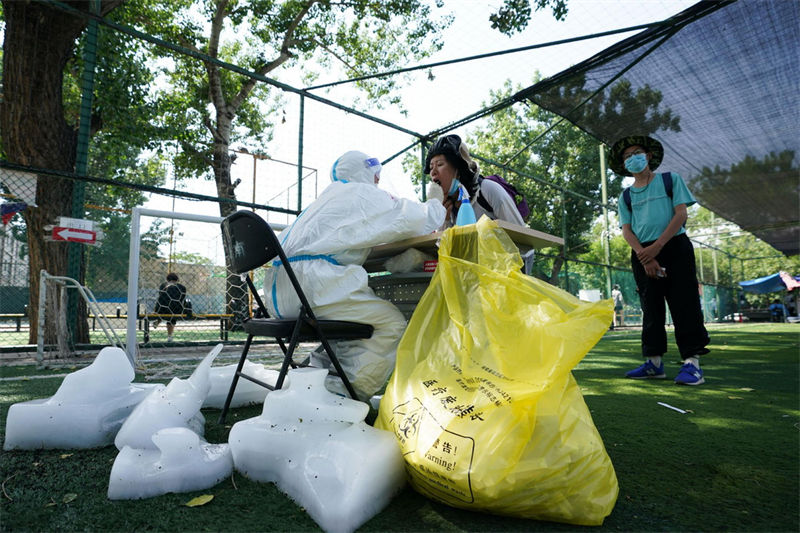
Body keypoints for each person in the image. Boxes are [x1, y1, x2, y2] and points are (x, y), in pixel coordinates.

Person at [265, 150, 445, 400]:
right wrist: (436, 202)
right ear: (366, 173)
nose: (378, 182)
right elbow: (417, 220)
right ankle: (344, 395)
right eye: (376, 176)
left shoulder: (319, 203)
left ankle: (310, 381)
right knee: (389, 323)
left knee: (346, 323)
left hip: (281, 294)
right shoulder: (362, 194)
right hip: (315, 288)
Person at [612, 135, 709, 386]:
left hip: (674, 247)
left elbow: (681, 214)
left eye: (637, 153)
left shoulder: (670, 180)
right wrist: (645, 257)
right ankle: (654, 364)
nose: (632, 158)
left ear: (649, 156)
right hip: (642, 254)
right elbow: (626, 230)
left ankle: (692, 365)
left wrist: (657, 247)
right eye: (627, 156)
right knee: (651, 307)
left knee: (684, 303)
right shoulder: (626, 196)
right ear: (623, 164)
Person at [424, 134, 526, 228]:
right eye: (431, 167)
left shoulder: (488, 189)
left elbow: (520, 234)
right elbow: (442, 246)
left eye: (440, 164)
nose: (433, 172)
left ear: (458, 169)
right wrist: (444, 220)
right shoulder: (446, 208)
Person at [154, 272, 187, 342]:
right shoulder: (182, 287)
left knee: (163, 306)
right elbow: (182, 298)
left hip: (162, 309)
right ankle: (170, 336)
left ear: (167, 279)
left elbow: (161, 296)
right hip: (176, 309)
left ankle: (158, 320)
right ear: (177, 279)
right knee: (172, 318)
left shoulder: (163, 286)